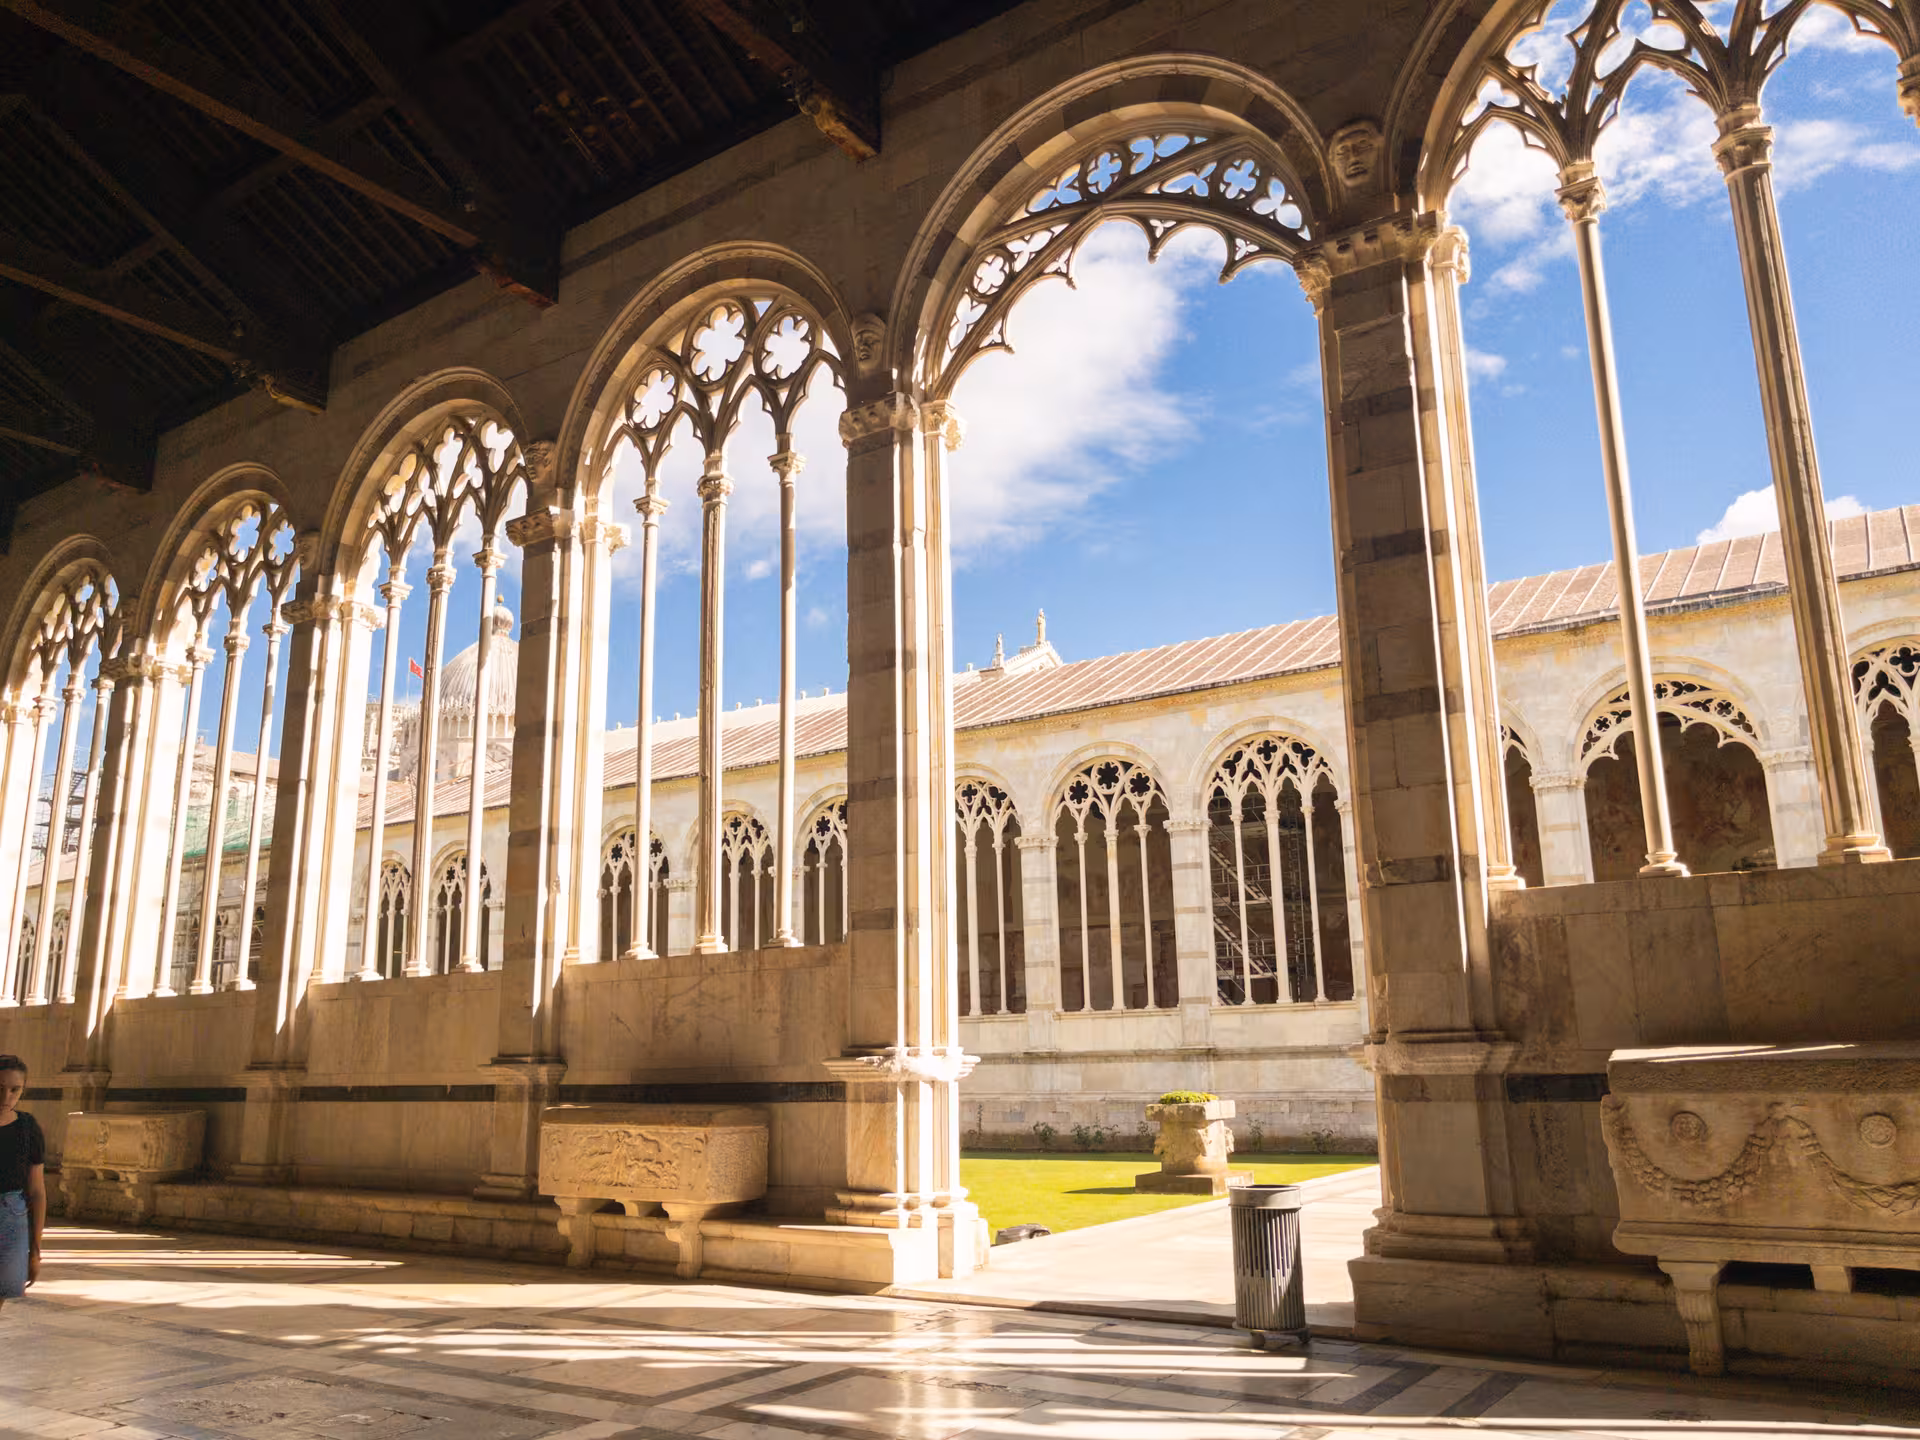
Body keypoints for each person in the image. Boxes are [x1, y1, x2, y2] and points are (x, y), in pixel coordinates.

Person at [0, 1054, 45, 1309]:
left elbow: (37, 1191)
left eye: (15, 1090)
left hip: (11, 1218)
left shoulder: (27, 1128)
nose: (6, 1097)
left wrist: (35, 1251)